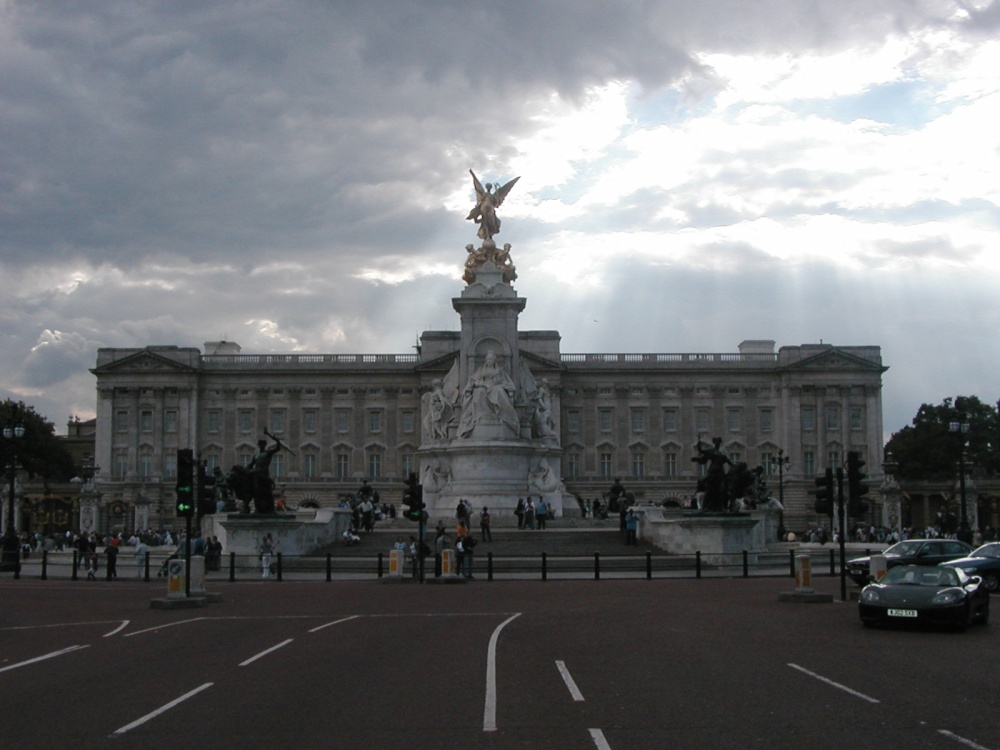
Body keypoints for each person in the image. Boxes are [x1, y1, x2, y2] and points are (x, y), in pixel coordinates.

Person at [458, 351, 520, 438]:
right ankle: (480, 417)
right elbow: (474, 380)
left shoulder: (499, 371)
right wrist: (477, 385)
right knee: (479, 392)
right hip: (483, 387)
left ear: (494, 360)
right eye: (488, 359)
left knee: (499, 391)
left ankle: (502, 416)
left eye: (491, 359)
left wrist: (503, 385)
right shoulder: (481, 370)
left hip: (496, 387)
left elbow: (505, 381)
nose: (489, 361)